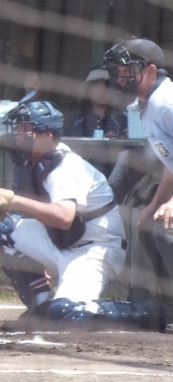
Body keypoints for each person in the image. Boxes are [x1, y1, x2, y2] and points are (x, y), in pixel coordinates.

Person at [0, 100, 141, 327]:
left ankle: (143, 312)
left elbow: (63, 217)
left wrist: (11, 199)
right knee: (6, 232)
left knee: (67, 313)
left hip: (95, 249)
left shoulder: (64, 167)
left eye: (26, 130)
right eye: (19, 130)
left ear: (48, 135)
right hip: (63, 240)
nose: (19, 136)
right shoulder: (35, 162)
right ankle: (40, 308)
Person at [103, 38, 173, 332]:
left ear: (151, 71)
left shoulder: (165, 102)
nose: (122, 78)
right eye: (119, 72)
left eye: (128, 71)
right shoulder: (148, 104)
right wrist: (157, 203)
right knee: (150, 224)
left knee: (167, 230)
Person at [65, 68, 128, 181]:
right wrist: (99, 145)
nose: (103, 91)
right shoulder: (78, 121)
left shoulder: (123, 117)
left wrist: (120, 142)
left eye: (106, 86)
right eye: (98, 87)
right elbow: (71, 154)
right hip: (84, 179)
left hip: (116, 181)